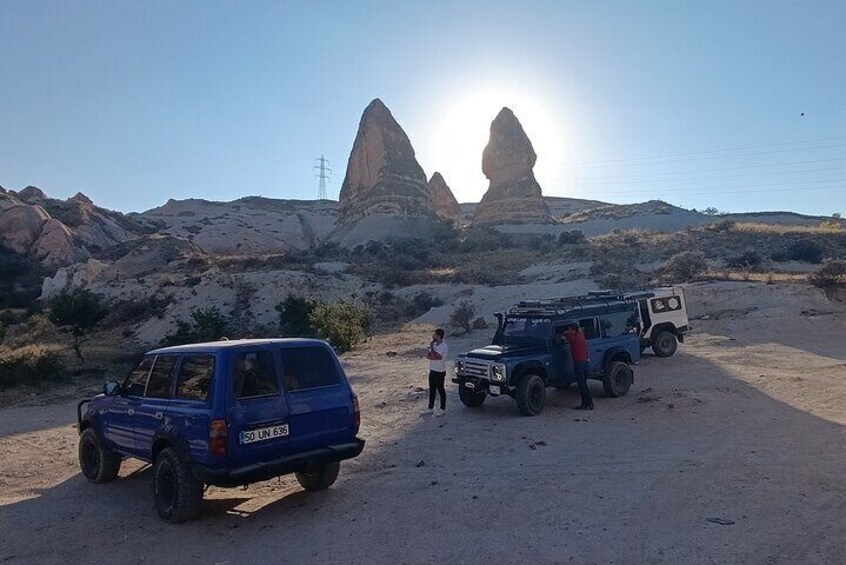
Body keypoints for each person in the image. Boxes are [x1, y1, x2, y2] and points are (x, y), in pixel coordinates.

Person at [561, 324, 594, 410]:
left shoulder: (573, 338)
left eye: (569, 329)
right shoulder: (580, 335)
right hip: (586, 362)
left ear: (573, 331)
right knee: (584, 385)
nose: (568, 331)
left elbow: (563, 338)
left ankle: (586, 404)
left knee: (582, 385)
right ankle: (589, 404)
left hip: (579, 363)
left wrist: (564, 333)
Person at [425, 328, 449, 417]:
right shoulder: (434, 346)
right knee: (432, 390)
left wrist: (432, 349)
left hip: (440, 371)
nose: (433, 336)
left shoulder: (443, 346)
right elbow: (429, 356)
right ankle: (430, 408)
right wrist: (432, 352)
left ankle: (443, 408)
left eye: (434, 335)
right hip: (432, 370)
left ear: (438, 336)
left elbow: (438, 357)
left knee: (440, 390)